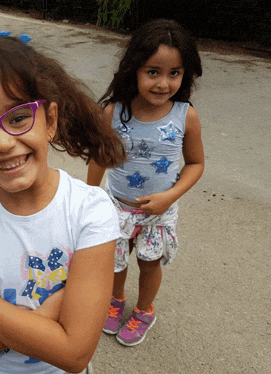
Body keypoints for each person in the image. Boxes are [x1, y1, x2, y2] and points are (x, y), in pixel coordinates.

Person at [0, 32, 127, 374]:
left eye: (18, 117)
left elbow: (74, 353)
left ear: (49, 121)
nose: (3, 142)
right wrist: (44, 322)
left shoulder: (89, 211)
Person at [87, 19, 205, 346]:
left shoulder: (186, 116)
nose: (163, 83)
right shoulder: (115, 111)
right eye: (153, 72)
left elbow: (196, 164)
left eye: (174, 73)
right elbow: (99, 156)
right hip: (116, 206)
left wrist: (170, 197)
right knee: (116, 258)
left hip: (159, 213)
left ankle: (143, 311)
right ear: (134, 70)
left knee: (149, 263)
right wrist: (90, 196)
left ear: (185, 74)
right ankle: (115, 300)